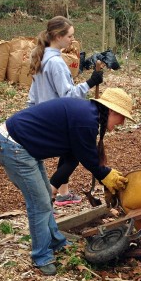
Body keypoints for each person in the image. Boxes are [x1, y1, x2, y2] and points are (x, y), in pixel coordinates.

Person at [0, 88, 133, 275]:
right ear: (113, 111)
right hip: (14, 147)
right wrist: (105, 175)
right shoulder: (86, 121)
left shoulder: (89, 116)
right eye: (122, 117)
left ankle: (56, 241)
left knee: (44, 200)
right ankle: (41, 256)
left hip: (24, 147)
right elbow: (87, 157)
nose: (122, 122)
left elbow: (74, 156)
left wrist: (55, 184)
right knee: (40, 204)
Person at [27, 16, 105, 207]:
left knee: (68, 150)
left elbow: (32, 97)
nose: (72, 40)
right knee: (74, 154)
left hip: (44, 117)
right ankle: (49, 197)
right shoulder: (56, 63)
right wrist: (90, 82)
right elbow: (68, 96)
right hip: (57, 119)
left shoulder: (42, 57)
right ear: (58, 36)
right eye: (70, 36)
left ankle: (63, 193)